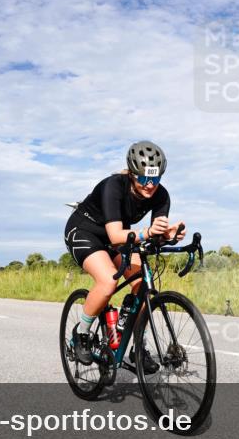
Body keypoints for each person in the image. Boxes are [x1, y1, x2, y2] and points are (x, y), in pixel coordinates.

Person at [64, 141, 185, 374]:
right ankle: (81, 335)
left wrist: (168, 236)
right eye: (143, 179)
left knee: (143, 283)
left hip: (118, 237)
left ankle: (137, 345)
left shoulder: (161, 196)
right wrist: (148, 233)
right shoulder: (114, 186)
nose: (150, 185)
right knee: (109, 281)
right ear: (131, 173)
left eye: (156, 178)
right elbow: (115, 236)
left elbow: (151, 237)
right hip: (85, 231)